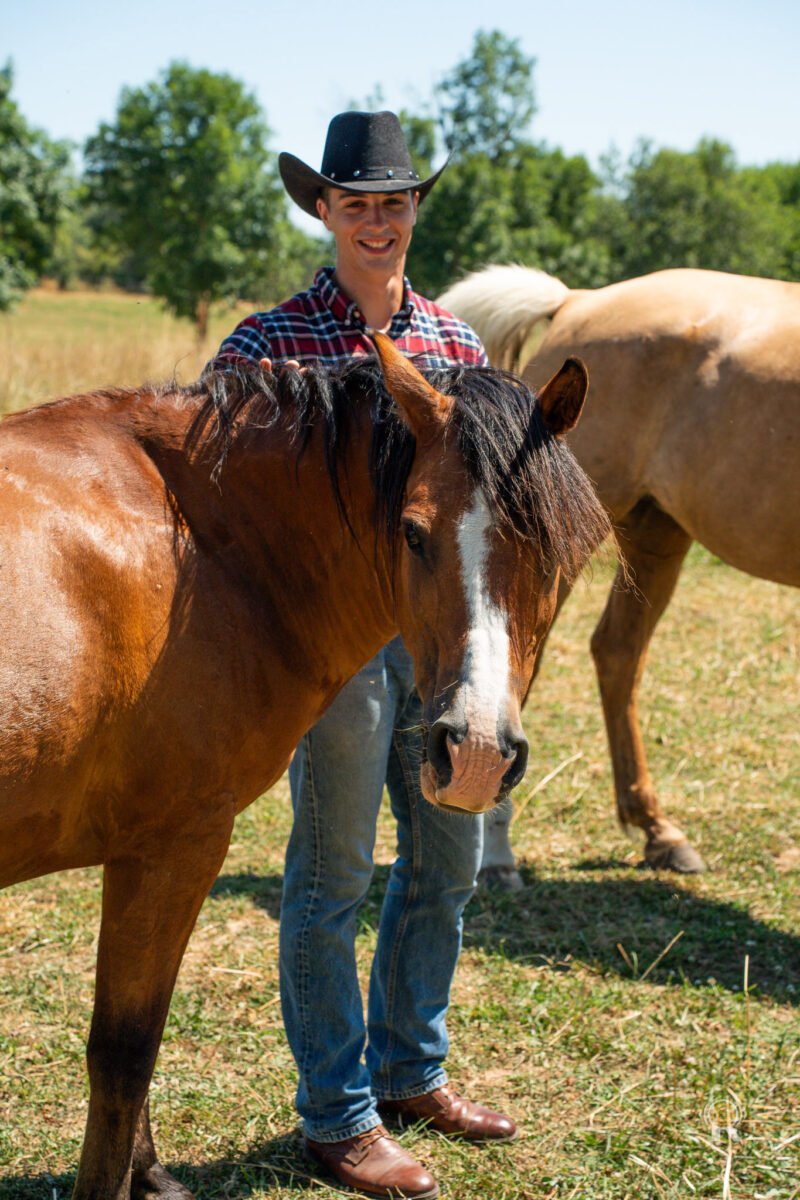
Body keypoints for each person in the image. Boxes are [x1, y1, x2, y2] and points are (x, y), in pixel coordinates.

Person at [209, 111, 516, 1200]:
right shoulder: (263, 345)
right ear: (324, 211)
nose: (375, 221)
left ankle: (408, 1068)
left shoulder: (459, 351)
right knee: (331, 875)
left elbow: (492, 515)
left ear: (413, 210)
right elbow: (213, 502)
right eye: (355, 204)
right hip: (329, 656)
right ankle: (336, 1116)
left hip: (436, 644)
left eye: (392, 202)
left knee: (449, 862)